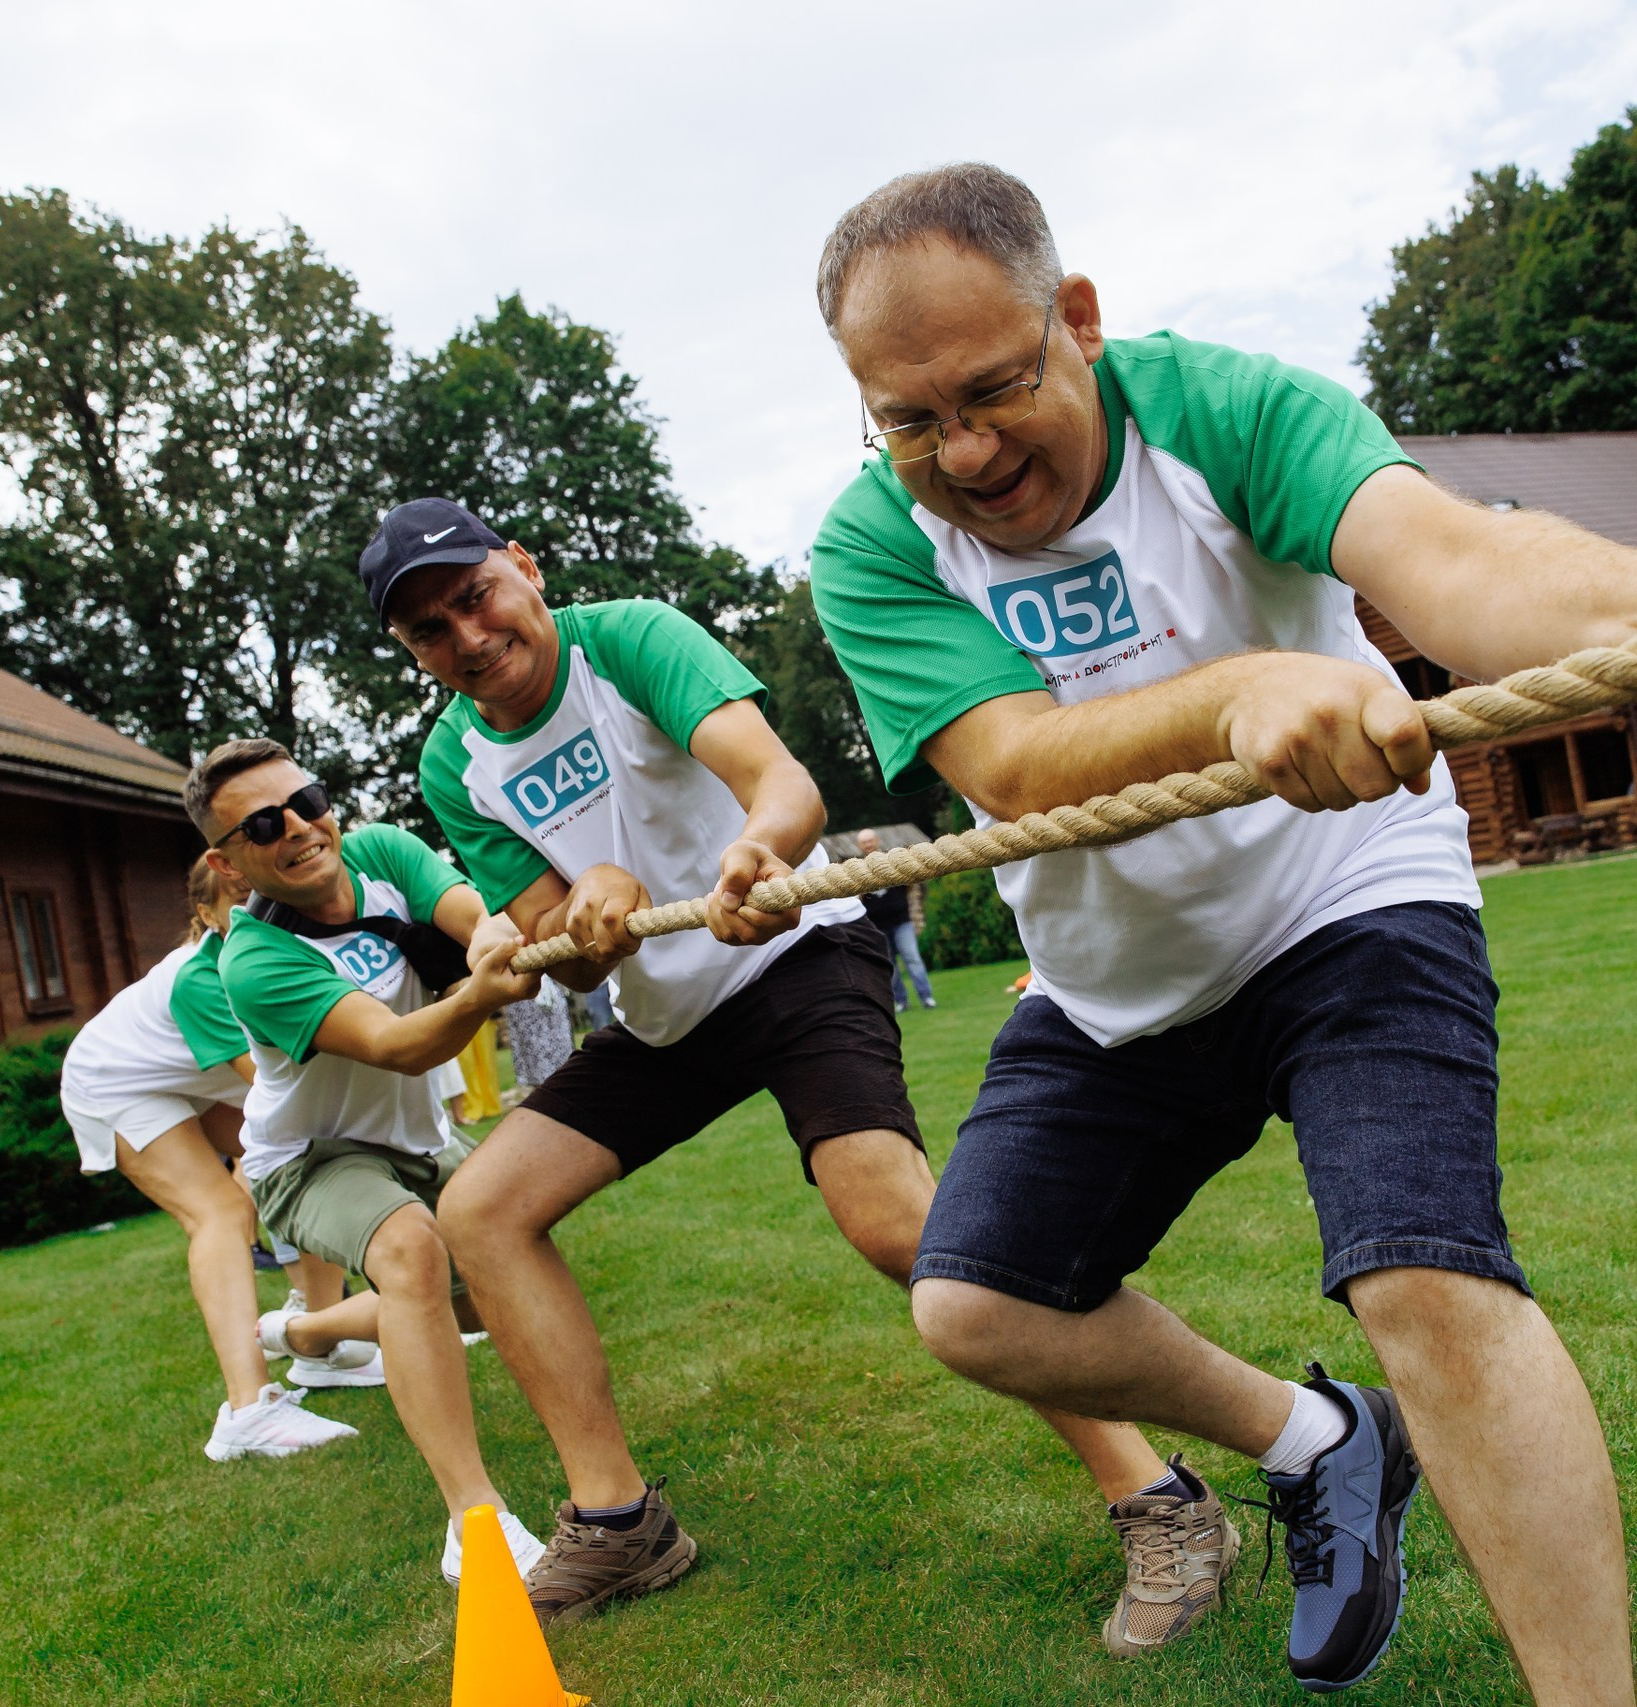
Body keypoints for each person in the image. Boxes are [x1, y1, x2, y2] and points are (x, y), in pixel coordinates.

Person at [806, 164, 1637, 1700]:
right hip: (1120, 984)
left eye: (996, 390)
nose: (968, 451)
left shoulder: (1223, 410)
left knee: (1421, 1277)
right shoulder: (871, 545)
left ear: (1078, 320)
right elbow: (1008, 763)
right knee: (974, 1300)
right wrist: (1240, 689)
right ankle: (1314, 1438)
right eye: (911, 421)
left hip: (1349, 892)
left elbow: (1459, 567)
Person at [366, 498, 1194, 1645]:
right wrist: (578, 910)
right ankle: (619, 1522)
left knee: (897, 1224)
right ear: (409, 651)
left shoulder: (631, 640)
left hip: (796, 953)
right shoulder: (453, 759)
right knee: (482, 1208)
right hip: (668, 1015)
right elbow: (550, 922)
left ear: (522, 566)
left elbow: (783, 786)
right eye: (428, 629)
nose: (466, 635)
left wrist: (758, 850)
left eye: (474, 595)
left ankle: (1155, 1495)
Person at [191, 737, 552, 1583]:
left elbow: (471, 913)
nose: (301, 827)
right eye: (265, 824)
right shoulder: (253, 960)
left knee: (497, 1287)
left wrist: (500, 944)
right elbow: (394, 1046)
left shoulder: (383, 850)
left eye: (307, 799)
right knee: (408, 1249)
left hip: (421, 1141)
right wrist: (483, 992)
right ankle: (475, 1521)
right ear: (229, 860)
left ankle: (307, 1332)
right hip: (310, 1160)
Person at [59, 861, 370, 1460]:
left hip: (187, 1078)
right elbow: (279, 1090)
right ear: (205, 916)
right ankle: (248, 1410)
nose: (257, 912)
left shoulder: (289, 954)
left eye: (267, 897)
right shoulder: (204, 979)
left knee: (313, 1153)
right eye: (237, 901)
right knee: (221, 1213)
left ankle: (323, 1348)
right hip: (118, 1082)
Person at [853, 828, 935, 1011]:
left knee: (912, 959)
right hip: (877, 927)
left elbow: (911, 887)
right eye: (864, 842)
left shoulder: (892, 862)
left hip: (901, 922)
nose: (868, 844)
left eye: (870, 840)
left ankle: (926, 997)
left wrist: (915, 915)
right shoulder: (857, 868)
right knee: (888, 965)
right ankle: (900, 1001)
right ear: (860, 845)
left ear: (877, 841)